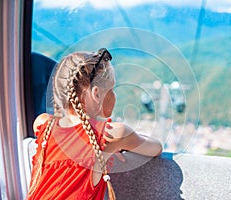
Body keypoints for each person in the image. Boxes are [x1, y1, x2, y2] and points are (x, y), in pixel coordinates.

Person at [27, 48, 162, 200]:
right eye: (112, 88)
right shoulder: (113, 134)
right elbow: (156, 148)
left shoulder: (43, 124)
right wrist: (119, 142)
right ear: (97, 94)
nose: (114, 95)